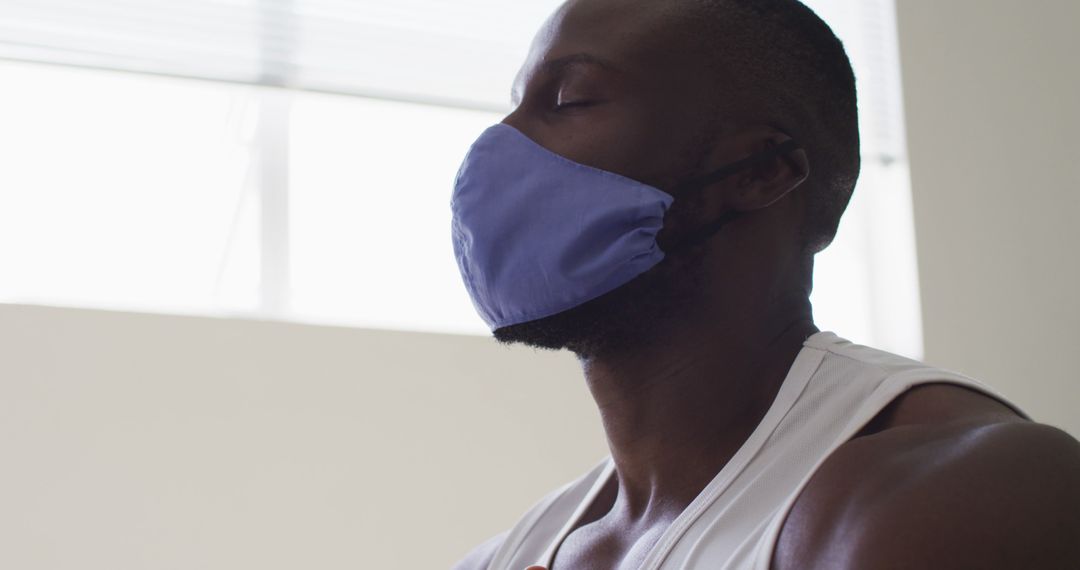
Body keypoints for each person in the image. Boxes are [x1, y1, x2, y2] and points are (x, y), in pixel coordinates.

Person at [448, 0, 1080, 568]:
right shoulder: (508, 555)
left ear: (760, 172)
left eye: (570, 100)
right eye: (516, 104)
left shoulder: (965, 491)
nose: (501, 145)